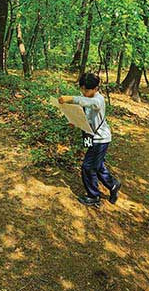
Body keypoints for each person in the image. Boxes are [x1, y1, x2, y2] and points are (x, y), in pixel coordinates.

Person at [59, 73, 121, 206]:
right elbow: (85, 113)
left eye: (86, 90)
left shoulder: (98, 100)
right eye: (82, 89)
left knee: (88, 166)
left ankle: (94, 196)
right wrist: (75, 120)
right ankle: (113, 184)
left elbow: (87, 103)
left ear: (95, 88)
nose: (83, 92)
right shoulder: (87, 96)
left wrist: (70, 98)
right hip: (91, 135)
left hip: (100, 139)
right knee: (97, 166)